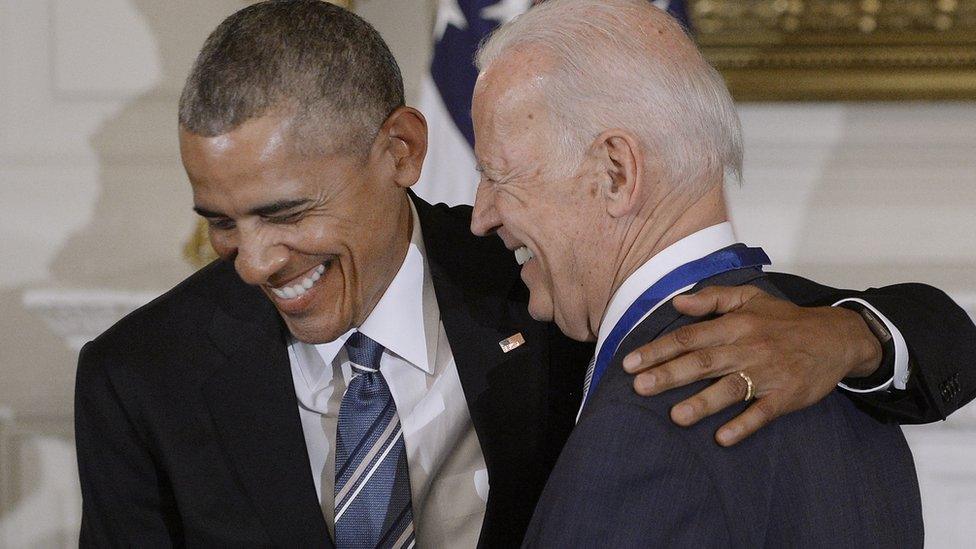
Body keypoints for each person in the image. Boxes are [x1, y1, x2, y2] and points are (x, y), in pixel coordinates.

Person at [75, 1, 975, 547]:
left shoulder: (542, 284)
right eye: (221, 224)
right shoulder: (139, 377)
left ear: (400, 149)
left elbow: (929, 333)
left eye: (286, 213)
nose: (255, 262)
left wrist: (855, 335)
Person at [468, 0, 937, 546]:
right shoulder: (854, 384)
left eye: (498, 176)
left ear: (617, 173)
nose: (481, 217)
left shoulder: (646, 426)